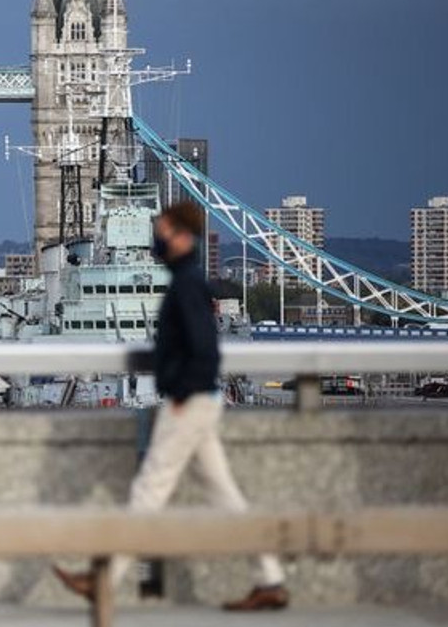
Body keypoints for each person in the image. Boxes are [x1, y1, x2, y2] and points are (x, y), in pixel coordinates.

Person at [52, 202, 290, 611]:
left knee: (149, 491)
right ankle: (271, 579)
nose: (156, 240)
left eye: (161, 231)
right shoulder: (187, 279)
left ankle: (103, 581)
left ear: (181, 234)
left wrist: (179, 396)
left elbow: (204, 351)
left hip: (188, 403)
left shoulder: (186, 284)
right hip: (198, 401)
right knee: (225, 494)